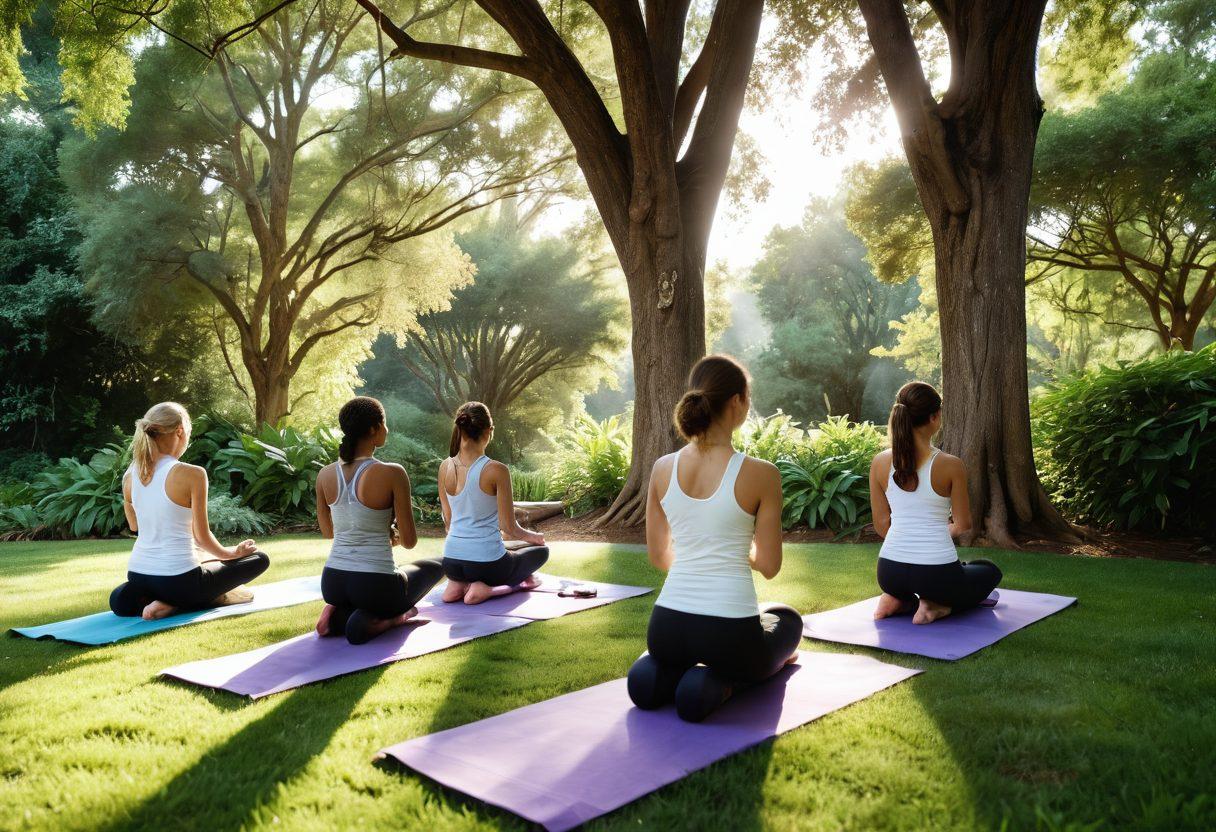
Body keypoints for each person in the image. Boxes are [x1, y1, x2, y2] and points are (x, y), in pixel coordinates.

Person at [627, 355, 802, 723]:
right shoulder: (762, 474)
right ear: (736, 401)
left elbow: (660, 558)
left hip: (666, 629)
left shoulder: (662, 468)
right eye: (748, 396)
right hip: (729, 634)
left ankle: (661, 674)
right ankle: (728, 681)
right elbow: (769, 566)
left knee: (649, 680)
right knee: (787, 618)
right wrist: (735, 550)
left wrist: (701, 553)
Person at [110, 402, 270, 620]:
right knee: (258, 558)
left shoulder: (130, 475)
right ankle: (175, 604)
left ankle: (161, 598)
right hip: (179, 579)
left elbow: (134, 526)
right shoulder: (193, 474)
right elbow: (201, 537)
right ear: (180, 431)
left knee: (119, 600)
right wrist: (233, 554)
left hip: (139, 574)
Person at [869, 381, 1002, 625]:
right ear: (935, 417)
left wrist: (910, 543)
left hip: (889, 572)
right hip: (935, 576)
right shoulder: (950, 464)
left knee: (959, 570)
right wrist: (932, 536)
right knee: (988, 570)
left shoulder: (879, 462)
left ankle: (896, 598)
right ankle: (933, 606)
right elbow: (963, 525)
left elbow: (881, 526)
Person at [315, 397, 445, 645]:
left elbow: (328, 532)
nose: (387, 430)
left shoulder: (324, 474)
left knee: (359, 608)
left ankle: (336, 613)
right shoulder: (392, 472)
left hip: (333, 582)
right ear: (374, 428)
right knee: (439, 565)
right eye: (384, 424)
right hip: (375, 585)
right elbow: (409, 542)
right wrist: (392, 534)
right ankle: (394, 618)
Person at [438, 402, 549, 605]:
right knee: (541, 552)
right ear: (489, 430)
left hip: (451, 561)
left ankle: (457, 585)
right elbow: (507, 526)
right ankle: (486, 589)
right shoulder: (496, 469)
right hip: (487, 564)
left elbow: (449, 523)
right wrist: (535, 537)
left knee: (508, 551)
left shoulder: (444, 466)